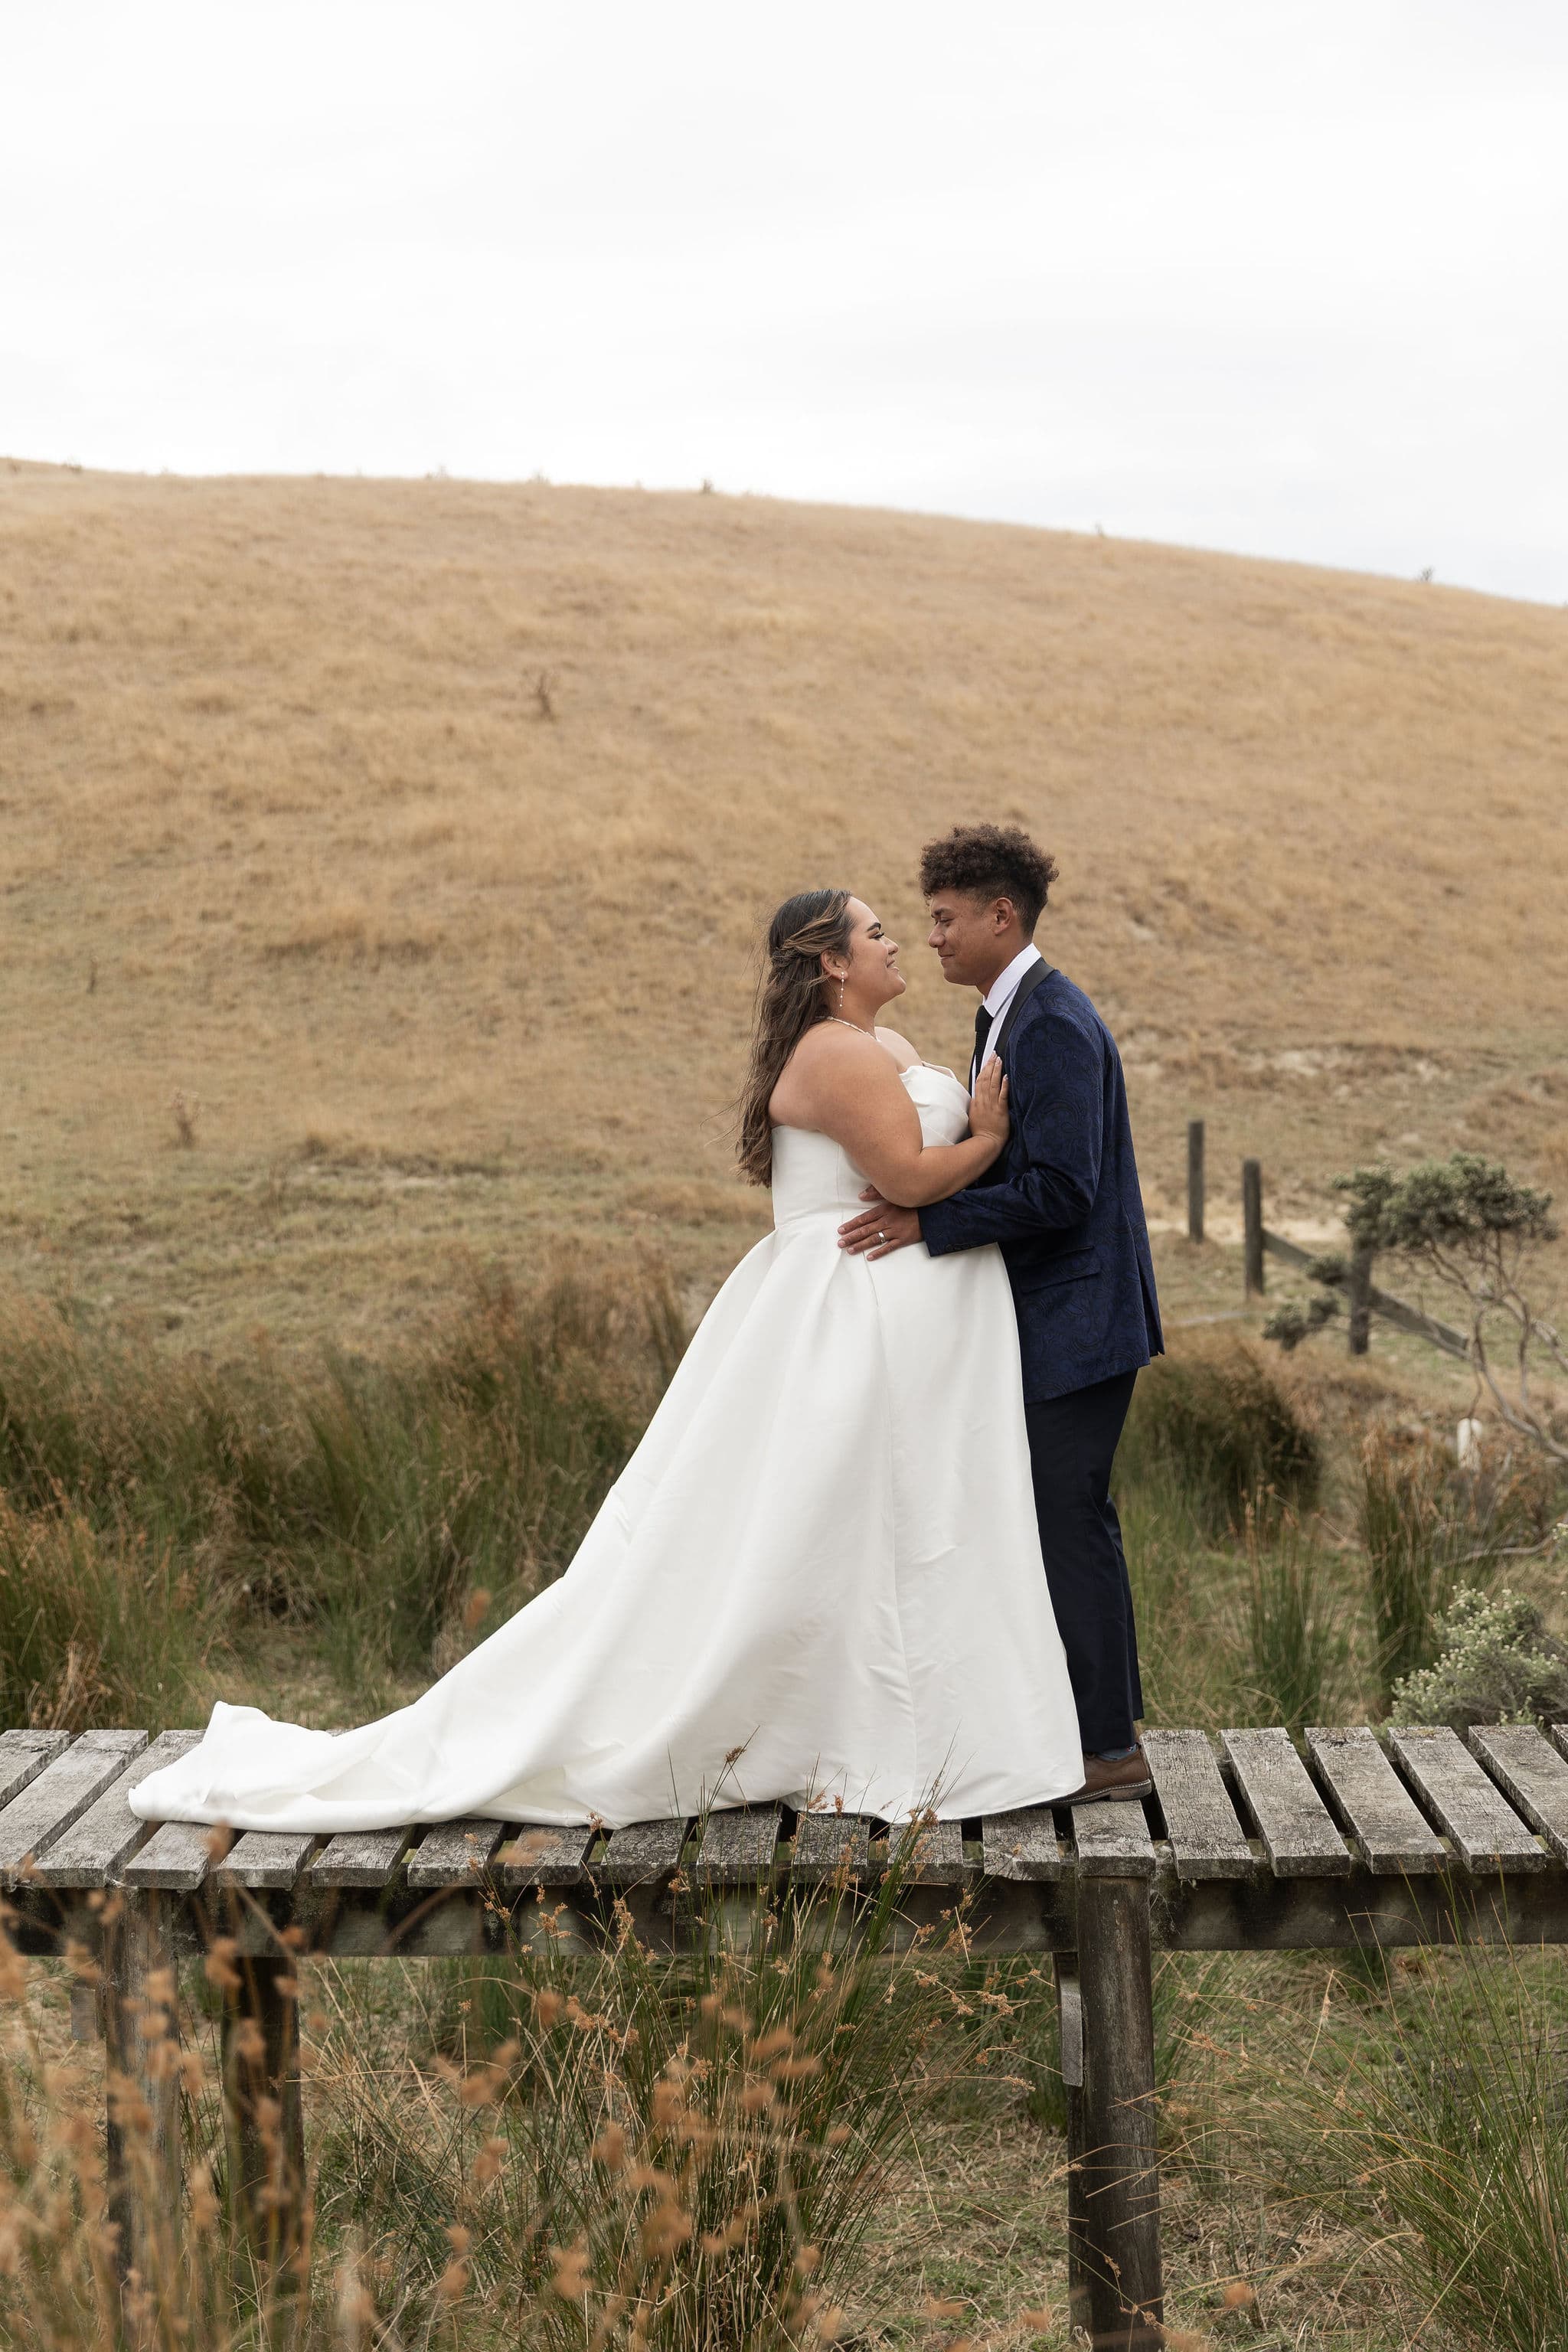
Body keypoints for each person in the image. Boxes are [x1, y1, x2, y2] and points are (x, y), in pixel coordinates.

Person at [131, 887, 1086, 1835]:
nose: (894, 942)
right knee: (812, 1529)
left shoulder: (884, 1048)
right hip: (847, 1313)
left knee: (883, 1528)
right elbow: (907, 1179)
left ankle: (893, 1729)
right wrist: (993, 1138)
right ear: (832, 962)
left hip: (908, 1324)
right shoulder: (833, 1054)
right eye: (874, 932)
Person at [838, 826, 1163, 1801]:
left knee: (1069, 1523)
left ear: (999, 915)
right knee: (1049, 1522)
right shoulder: (1003, 1015)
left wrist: (925, 1218)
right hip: (1053, 1323)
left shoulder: (1049, 1023)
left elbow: (1063, 1189)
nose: (930, 937)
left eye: (942, 919)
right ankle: (1073, 1734)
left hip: (1080, 1324)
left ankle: (1109, 1752)